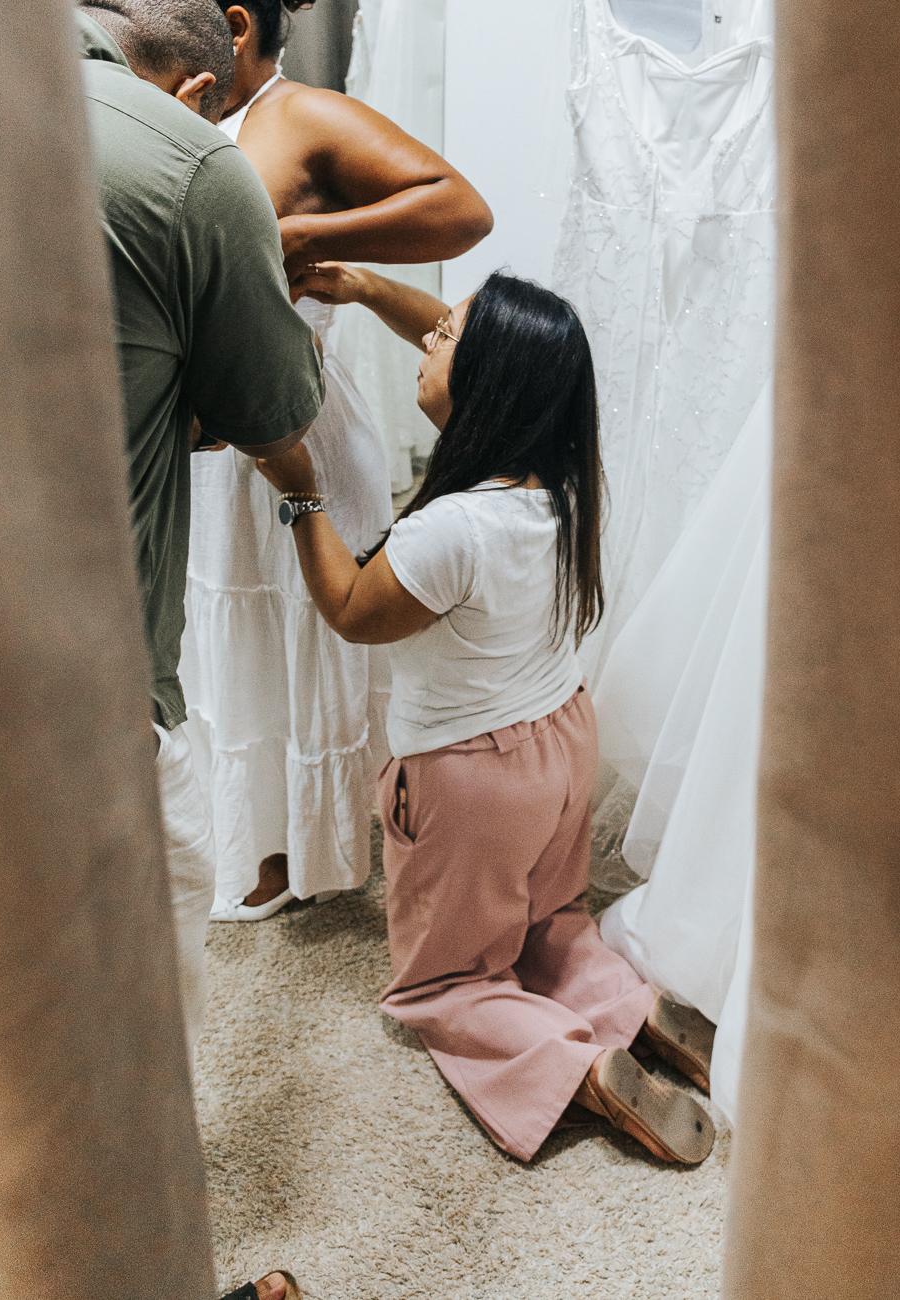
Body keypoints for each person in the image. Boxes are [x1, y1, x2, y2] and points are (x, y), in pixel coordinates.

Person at [254, 264, 717, 1165]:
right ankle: (637, 1013)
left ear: (486, 383)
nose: (426, 341)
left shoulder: (448, 530)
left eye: (443, 336)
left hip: (472, 786)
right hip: (561, 746)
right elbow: (473, 347)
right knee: (550, 922)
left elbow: (351, 610)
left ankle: (571, 1067)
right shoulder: (570, 485)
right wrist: (364, 288)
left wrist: (298, 485)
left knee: (448, 980)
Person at [138, 0, 493, 918]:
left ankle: (318, 847)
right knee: (235, 631)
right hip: (218, 437)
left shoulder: (299, 116)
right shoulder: (203, 116)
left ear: (233, 28)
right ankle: (260, 837)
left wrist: (301, 245)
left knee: (305, 624)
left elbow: (460, 208)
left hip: (298, 417)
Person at [76, 0, 325, 1043]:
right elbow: (270, 412)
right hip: (79, 677)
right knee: (129, 981)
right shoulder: (189, 164)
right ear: (197, 89)